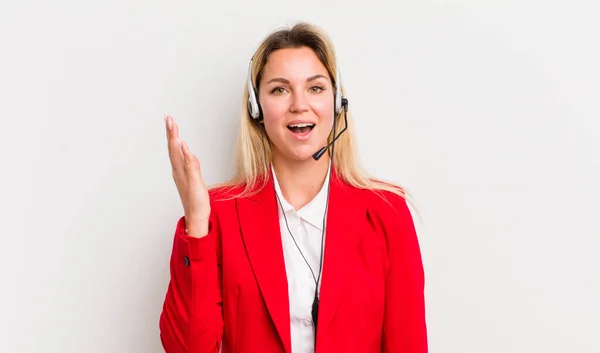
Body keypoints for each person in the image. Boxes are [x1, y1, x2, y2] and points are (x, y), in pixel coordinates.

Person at [159, 22, 427, 353]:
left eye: (315, 88)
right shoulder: (218, 215)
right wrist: (197, 220)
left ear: (337, 102)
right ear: (256, 109)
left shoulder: (388, 214)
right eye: (280, 90)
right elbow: (188, 349)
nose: (299, 105)